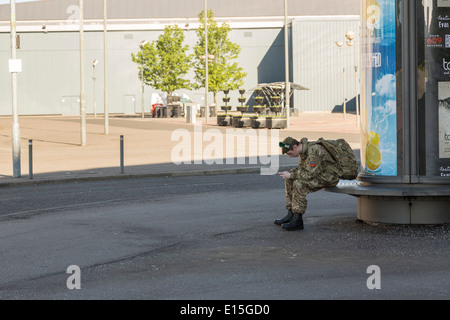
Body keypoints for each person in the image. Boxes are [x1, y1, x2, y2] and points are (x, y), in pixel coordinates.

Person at [275, 137, 341, 231]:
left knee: (299, 183)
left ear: (295, 147)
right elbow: (304, 170)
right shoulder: (304, 151)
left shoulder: (314, 150)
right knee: (289, 180)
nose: (290, 156)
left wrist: (292, 174)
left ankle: (298, 220)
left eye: (290, 153)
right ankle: (291, 214)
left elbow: (309, 174)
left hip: (328, 178)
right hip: (319, 175)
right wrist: (291, 174)